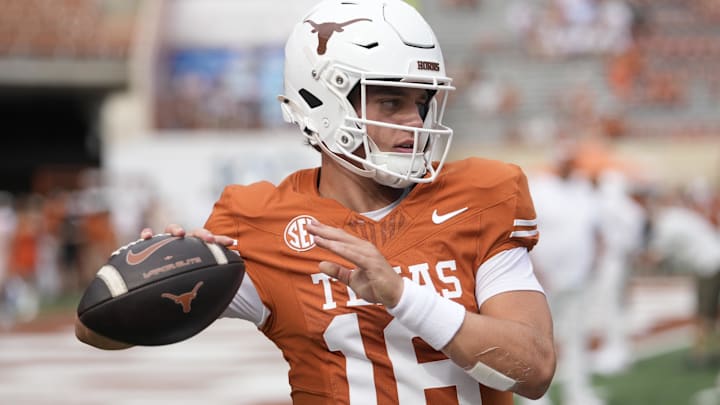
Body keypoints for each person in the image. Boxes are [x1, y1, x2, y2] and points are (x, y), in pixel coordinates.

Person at [76, 0, 556, 403]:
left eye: (422, 102)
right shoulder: (260, 222)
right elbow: (97, 329)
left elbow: (532, 371)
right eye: (391, 102)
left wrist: (401, 295)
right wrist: (159, 272)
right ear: (323, 105)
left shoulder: (479, 195)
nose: (414, 121)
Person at [523, 143, 604, 405]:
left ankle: (577, 391)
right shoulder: (539, 188)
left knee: (577, 335)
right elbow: (525, 232)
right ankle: (536, 397)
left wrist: (595, 259)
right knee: (539, 339)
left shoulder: (582, 188)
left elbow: (593, 228)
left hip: (578, 276)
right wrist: (534, 268)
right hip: (544, 279)